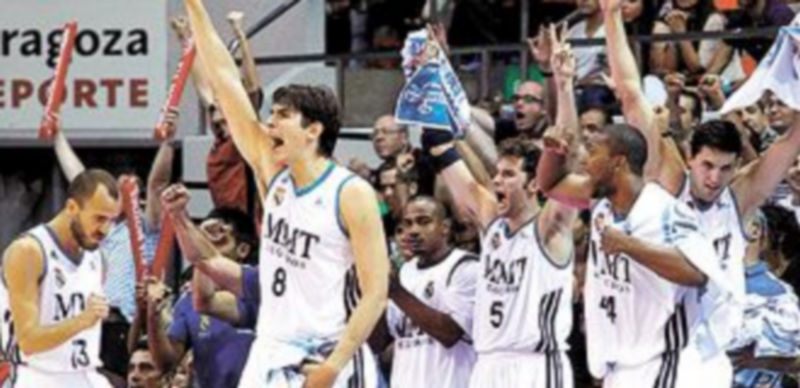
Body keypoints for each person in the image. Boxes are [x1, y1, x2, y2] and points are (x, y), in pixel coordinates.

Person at [183, 1, 390, 387]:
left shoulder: (350, 192)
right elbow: (227, 83)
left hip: (326, 352)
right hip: (272, 350)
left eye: (281, 116)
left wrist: (334, 365)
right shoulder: (273, 176)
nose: (269, 122)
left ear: (313, 130)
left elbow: (376, 291)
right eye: (271, 113)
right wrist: (195, 7)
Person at [422, 28, 581, 387]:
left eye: (508, 175)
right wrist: (436, 71)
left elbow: (568, 151)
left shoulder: (550, 225)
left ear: (532, 183)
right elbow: (443, 147)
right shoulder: (490, 219)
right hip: (488, 365)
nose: (496, 182)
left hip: (536, 366)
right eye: (497, 174)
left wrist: (564, 83)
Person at [536, 121, 726, 388]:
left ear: (618, 162)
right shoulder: (603, 203)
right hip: (622, 366)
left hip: (665, 363)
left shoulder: (664, 211)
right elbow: (551, 185)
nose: (586, 162)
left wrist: (629, 245)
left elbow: (696, 273)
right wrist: (551, 152)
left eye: (593, 152)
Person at [0, 169, 119, 387]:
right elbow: (28, 341)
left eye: (111, 220)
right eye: (99, 218)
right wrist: (82, 320)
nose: (105, 229)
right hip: (38, 376)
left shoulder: (97, 258)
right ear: (72, 208)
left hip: (86, 374)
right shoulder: (28, 251)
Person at [145, 206, 259, 388]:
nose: (209, 250)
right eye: (204, 243)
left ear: (243, 250)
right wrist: (153, 317)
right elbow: (166, 363)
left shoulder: (262, 291)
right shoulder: (188, 300)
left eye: (219, 242)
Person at [385, 196, 478, 388]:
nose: (414, 231)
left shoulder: (466, 266)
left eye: (424, 222)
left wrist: (394, 290)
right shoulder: (405, 271)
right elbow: (380, 344)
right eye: (408, 224)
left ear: (445, 227)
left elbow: (450, 334)